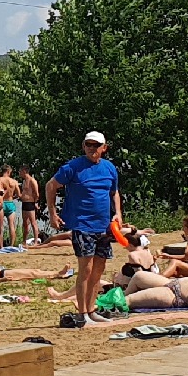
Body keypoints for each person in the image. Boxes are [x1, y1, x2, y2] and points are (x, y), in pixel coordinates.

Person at [47, 130, 124, 327]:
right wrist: (53, 213)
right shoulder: (73, 167)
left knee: (99, 269)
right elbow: (51, 186)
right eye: (88, 144)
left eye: (96, 145)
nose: (92, 148)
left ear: (103, 148)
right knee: (86, 269)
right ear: (84, 146)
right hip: (82, 224)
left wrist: (118, 213)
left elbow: (114, 193)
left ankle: (91, 309)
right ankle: (82, 314)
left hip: (104, 225)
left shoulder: (109, 168)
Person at [18, 165, 42, 244]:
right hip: (24, 203)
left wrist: (35, 202)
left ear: (24, 171)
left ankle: (35, 241)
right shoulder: (24, 181)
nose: (19, 173)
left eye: (20, 171)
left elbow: (36, 193)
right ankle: (24, 241)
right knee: (25, 223)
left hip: (30, 203)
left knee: (33, 222)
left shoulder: (32, 180)